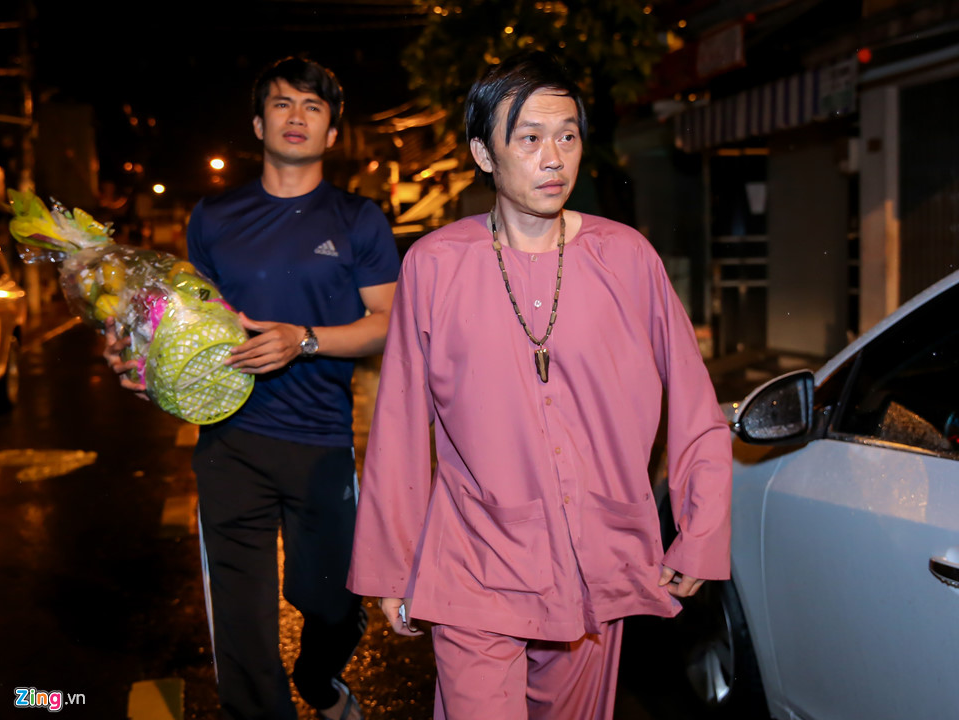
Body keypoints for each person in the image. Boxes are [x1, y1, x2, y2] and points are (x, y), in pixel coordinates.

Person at [347, 50, 732, 719]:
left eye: (567, 136)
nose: (553, 158)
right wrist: (391, 564)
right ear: (484, 153)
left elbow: (695, 404)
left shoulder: (627, 259)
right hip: (474, 557)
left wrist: (701, 530)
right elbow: (401, 423)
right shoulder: (434, 265)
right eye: (529, 139)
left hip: (597, 555)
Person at [105, 56, 399, 720]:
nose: (296, 116)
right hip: (230, 438)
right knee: (241, 619)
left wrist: (306, 339)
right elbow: (186, 317)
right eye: (282, 103)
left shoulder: (358, 219)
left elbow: (388, 321)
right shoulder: (214, 217)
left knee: (331, 599)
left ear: (331, 133)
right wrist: (141, 358)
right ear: (259, 124)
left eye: (313, 107)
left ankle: (320, 679)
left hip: (321, 440)